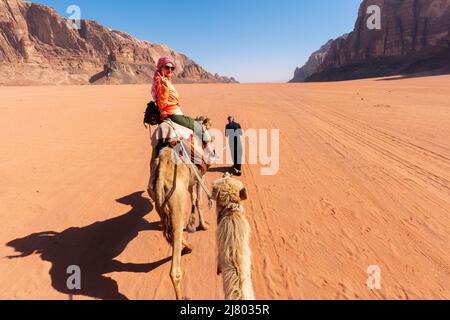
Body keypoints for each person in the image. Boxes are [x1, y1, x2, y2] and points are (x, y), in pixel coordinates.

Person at [151, 56, 210, 144]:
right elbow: (161, 103)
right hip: (172, 113)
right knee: (198, 127)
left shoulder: (164, 80)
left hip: (172, 111)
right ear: (161, 68)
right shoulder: (161, 82)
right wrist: (165, 87)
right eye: (167, 67)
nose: (170, 70)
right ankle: (210, 152)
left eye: (172, 68)